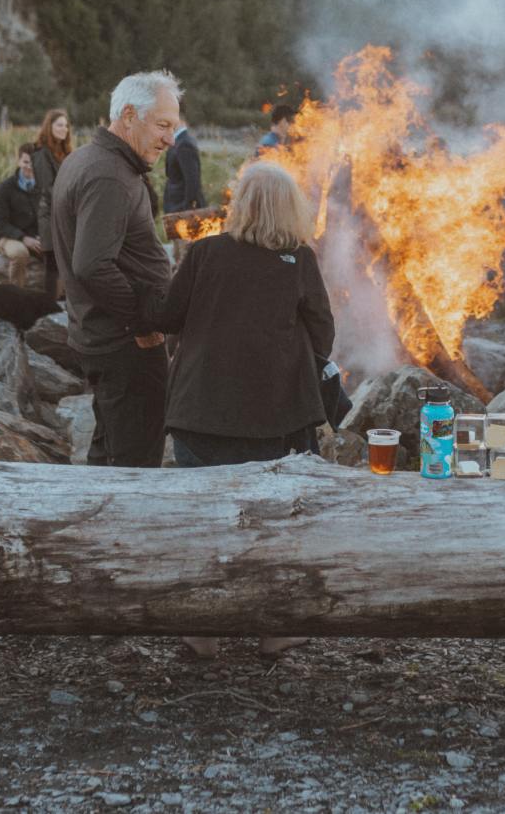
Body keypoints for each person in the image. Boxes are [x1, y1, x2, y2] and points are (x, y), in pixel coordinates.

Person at [150, 160, 330, 658]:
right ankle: (272, 631)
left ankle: (202, 633)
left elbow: (167, 316)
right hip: (278, 419)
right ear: (291, 208)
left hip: (200, 412)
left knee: (204, 522)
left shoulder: (205, 252)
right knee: (275, 526)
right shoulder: (300, 260)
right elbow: (323, 334)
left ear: (240, 204)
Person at [49, 70, 182, 467]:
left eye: (173, 128)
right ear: (128, 115)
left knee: (108, 451)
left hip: (102, 336)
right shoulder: (109, 175)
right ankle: (130, 529)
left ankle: (97, 524)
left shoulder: (88, 159)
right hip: (125, 346)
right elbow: (91, 266)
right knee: (134, 465)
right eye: (162, 125)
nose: (170, 139)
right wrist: (142, 323)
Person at [23, 109, 73, 290]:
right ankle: (49, 311)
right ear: (49, 127)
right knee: (53, 266)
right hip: (50, 216)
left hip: (65, 214)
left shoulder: (65, 152)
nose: (64, 129)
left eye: (66, 125)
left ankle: (67, 309)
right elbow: (47, 187)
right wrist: (73, 198)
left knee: (67, 264)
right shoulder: (41, 153)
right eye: (59, 125)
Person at [0, 159, 42, 281]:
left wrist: (46, 235)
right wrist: (23, 238)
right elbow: (0, 223)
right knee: (20, 253)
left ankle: (54, 297)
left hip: (36, 238)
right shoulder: (5, 187)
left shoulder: (44, 186)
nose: (30, 166)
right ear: (19, 162)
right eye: (26, 162)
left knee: (60, 252)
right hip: (10, 238)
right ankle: (16, 295)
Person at [165, 120, 205, 214]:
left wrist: (187, 210)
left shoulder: (184, 144)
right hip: (176, 207)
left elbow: (192, 181)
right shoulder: (178, 141)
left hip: (182, 209)